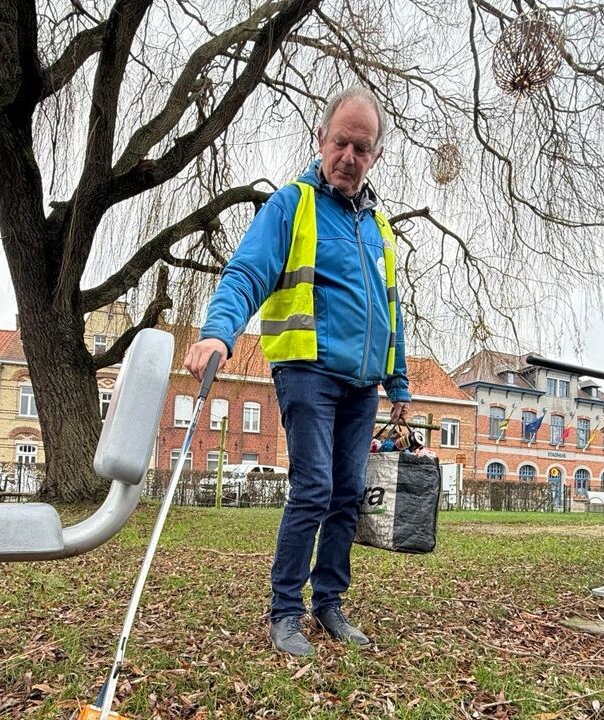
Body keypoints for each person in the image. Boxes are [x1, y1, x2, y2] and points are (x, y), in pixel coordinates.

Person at [183, 86, 411, 657]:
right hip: (307, 372)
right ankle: (285, 611)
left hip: (362, 386)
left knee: (348, 491)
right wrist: (219, 331)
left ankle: (328, 603)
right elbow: (246, 273)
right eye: (341, 143)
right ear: (321, 140)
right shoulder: (292, 204)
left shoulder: (379, 228)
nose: (349, 157)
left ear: (375, 155)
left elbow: (391, 308)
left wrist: (399, 383)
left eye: (362, 148)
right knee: (314, 487)